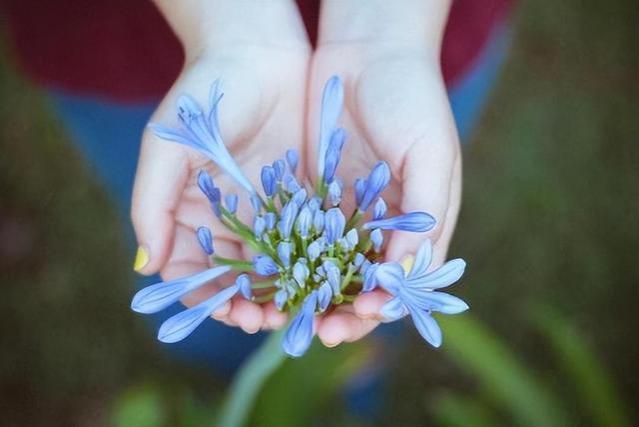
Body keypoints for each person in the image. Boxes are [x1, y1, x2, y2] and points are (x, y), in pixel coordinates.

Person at [3, 0, 512, 372]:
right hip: (132, 39)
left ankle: (347, 387)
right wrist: (232, 30)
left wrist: (390, 40)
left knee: (376, 301)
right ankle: (222, 373)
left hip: (413, 28)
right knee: (200, 285)